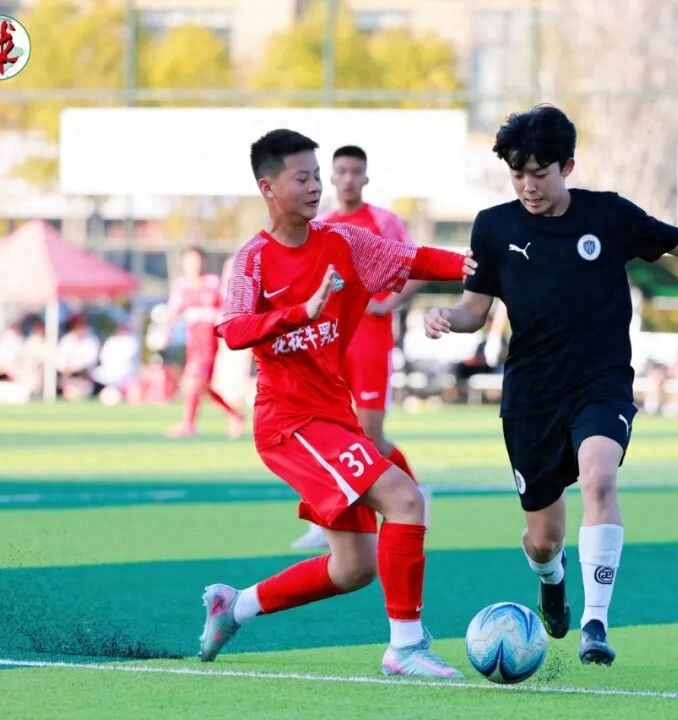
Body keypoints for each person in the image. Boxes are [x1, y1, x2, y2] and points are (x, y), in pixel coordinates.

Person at [422, 105, 678, 666]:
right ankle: (552, 578)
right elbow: (474, 309)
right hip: (531, 396)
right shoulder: (494, 226)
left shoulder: (608, 216)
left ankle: (595, 624)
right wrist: (446, 318)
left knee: (599, 479)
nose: (529, 186)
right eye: (518, 174)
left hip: (600, 383)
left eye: (541, 173)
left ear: (568, 165)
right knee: (542, 538)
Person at [196, 129, 475, 678]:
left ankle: (237, 606)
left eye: (317, 176)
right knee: (406, 499)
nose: (316, 186)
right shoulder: (251, 259)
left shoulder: (343, 241)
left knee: (353, 568)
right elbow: (232, 330)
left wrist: (480, 265)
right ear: (268, 186)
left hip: (334, 416)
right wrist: (300, 310)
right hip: (289, 423)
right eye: (302, 177)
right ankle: (406, 648)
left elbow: (415, 258)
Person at [292, 145, 427, 550]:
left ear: (366, 178)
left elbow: (415, 265)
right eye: (341, 172)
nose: (348, 178)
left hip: (371, 341)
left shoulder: (382, 221)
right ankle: (328, 516)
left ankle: (412, 495)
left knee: (369, 436)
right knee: (327, 430)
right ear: (330, 178)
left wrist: (389, 302)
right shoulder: (322, 225)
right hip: (332, 343)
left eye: (356, 171)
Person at [157, 246, 245, 439]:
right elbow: (173, 312)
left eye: (196, 260)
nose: (193, 265)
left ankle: (188, 424)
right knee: (201, 386)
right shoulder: (182, 286)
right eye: (189, 261)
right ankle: (235, 414)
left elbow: (226, 307)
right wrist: (165, 334)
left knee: (194, 382)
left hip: (209, 341)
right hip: (193, 341)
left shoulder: (212, 283)